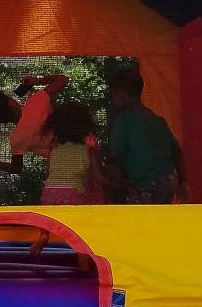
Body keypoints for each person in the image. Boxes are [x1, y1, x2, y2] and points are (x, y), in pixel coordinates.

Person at [103, 68, 186, 204]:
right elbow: (177, 151)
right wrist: (183, 182)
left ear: (123, 95)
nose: (112, 100)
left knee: (138, 218)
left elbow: (115, 155)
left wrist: (101, 164)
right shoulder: (157, 120)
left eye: (113, 96)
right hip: (169, 181)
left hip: (145, 184)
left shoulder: (123, 121)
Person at [0, 72, 69, 176]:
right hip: (82, 147)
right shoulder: (35, 102)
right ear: (11, 103)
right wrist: (37, 81)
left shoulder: (17, 139)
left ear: (2, 122)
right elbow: (63, 79)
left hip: (63, 166)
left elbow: (16, 169)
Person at [38, 101, 104, 206]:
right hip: (73, 193)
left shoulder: (54, 147)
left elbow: (47, 173)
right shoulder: (87, 148)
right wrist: (117, 183)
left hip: (49, 192)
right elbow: (98, 176)